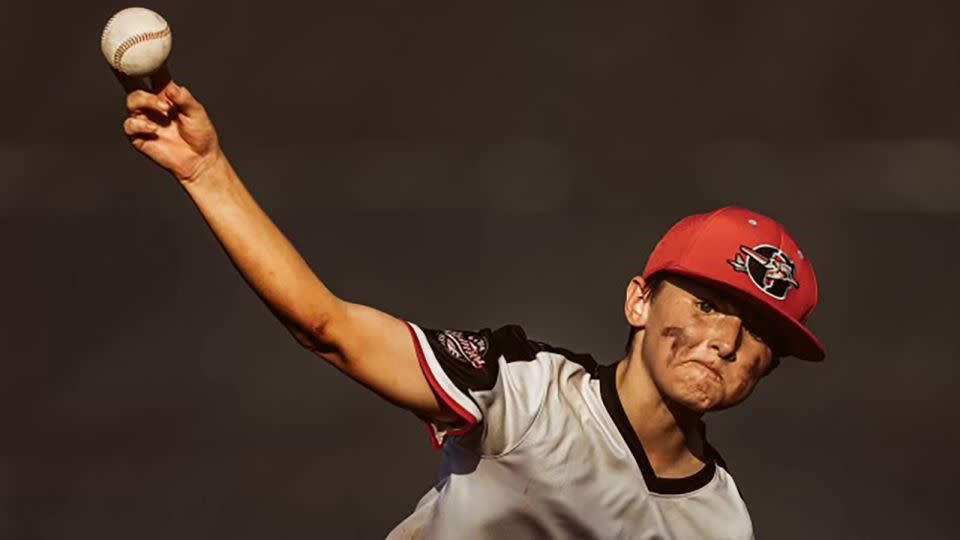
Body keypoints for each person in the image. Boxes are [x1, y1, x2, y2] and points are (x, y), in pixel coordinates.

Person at [119, 79, 824, 539]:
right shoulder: (522, 391)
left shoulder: (722, 523)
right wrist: (207, 173)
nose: (725, 338)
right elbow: (326, 327)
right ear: (639, 301)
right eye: (704, 303)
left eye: (759, 329)